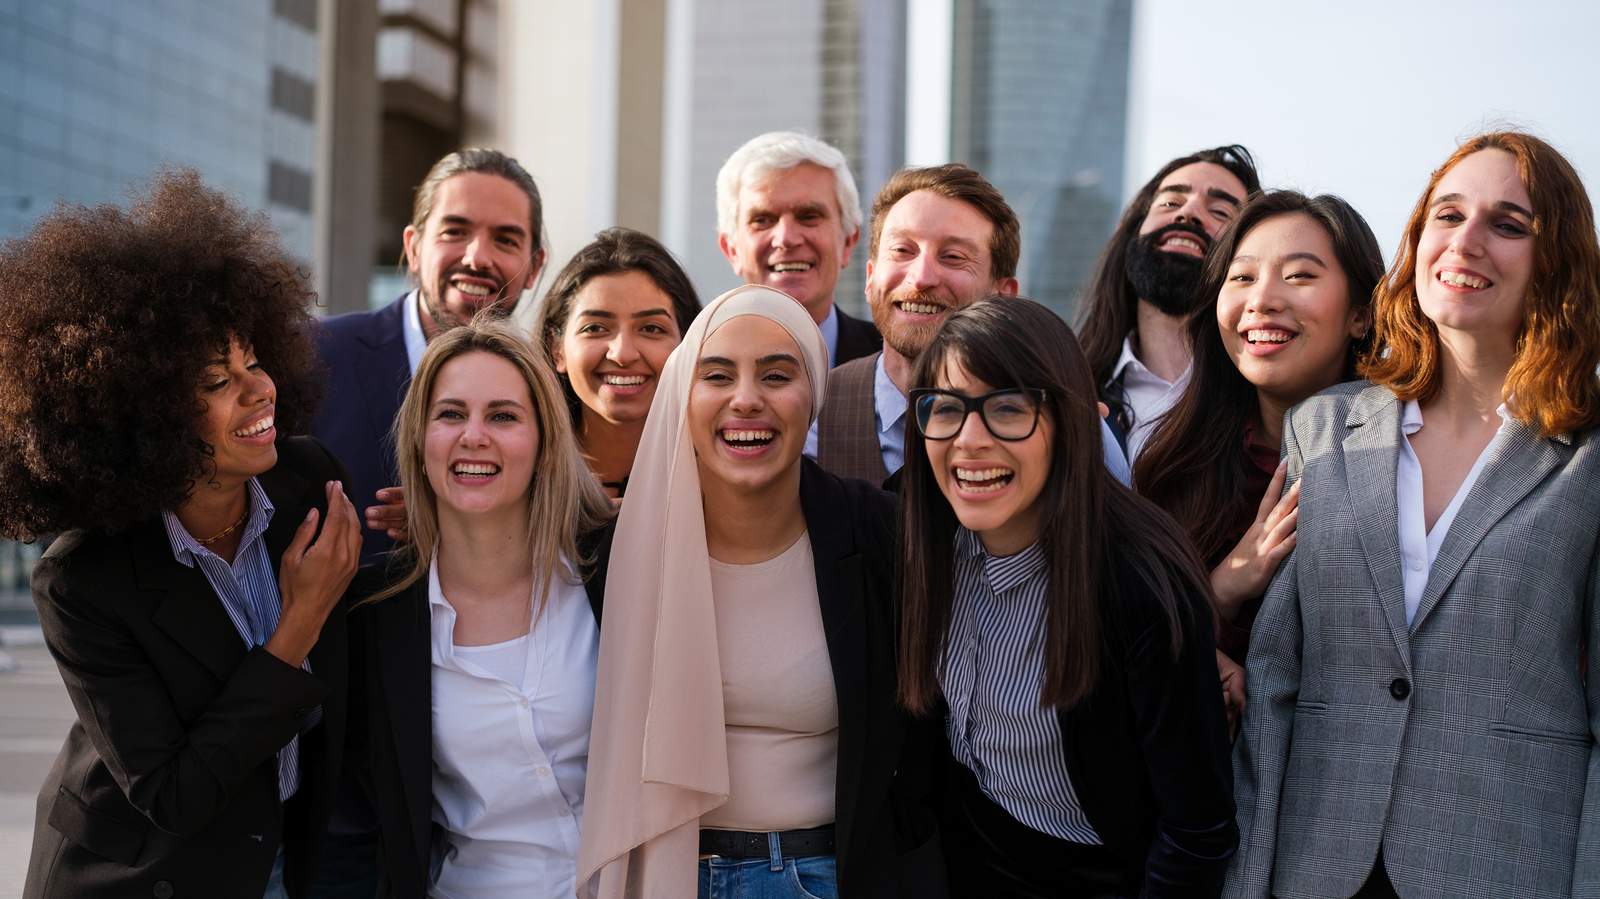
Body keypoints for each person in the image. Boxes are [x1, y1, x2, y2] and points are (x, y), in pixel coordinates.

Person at [1229, 132, 1600, 899]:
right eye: (1447, 214)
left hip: (1508, 864)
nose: (1465, 241)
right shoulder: (1324, 428)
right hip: (1317, 865)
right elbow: (1275, 680)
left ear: (1556, 259)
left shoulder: (1588, 459)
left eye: (1508, 223)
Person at [0, 169, 362, 899]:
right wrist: (299, 623)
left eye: (253, 360)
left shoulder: (307, 482)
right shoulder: (82, 581)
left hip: (283, 861)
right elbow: (173, 792)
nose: (259, 388)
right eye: (216, 380)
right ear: (143, 415)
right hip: (138, 876)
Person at [577, 286, 944, 899]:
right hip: (667, 875)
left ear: (814, 398)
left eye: (777, 375)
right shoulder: (615, 554)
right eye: (717, 376)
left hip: (831, 874)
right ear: (683, 398)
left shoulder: (881, 535)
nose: (746, 400)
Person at [897, 296, 1237, 897]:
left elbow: (1196, 830)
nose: (969, 440)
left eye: (1007, 408)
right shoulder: (925, 542)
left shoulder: (1140, 586)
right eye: (945, 409)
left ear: (1070, 422)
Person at [350, 317, 613, 899]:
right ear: (420, 445)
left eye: (502, 415)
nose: (474, 435)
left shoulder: (613, 570)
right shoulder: (378, 613)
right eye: (450, 414)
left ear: (545, 445)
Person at [1134, 191, 1383, 720]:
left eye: (1299, 276)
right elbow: (1119, 647)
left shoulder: (1406, 466)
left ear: (1361, 315)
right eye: (1242, 277)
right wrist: (1223, 586)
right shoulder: (1171, 467)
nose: (1263, 299)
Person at [810, 163, 1130, 487]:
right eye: (902, 251)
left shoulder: (1060, 418)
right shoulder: (811, 412)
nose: (920, 278)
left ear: (1003, 295)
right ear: (869, 278)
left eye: (953, 257)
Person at [314, 147, 548, 563]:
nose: (477, 257)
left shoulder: (549, 396)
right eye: (454, 231)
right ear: (415, 246)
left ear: (534, 267)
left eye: (505, 239)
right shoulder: (315, 356)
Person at [1077, 146, 1261, 460]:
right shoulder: (1071, 389)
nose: (1188, 212)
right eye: (1169, 202)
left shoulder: (1265, 409)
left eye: (1220, 212)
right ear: (1135, 230)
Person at [534, 227, 702, 500]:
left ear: (688, 345)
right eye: (596, 328)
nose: (623, 354)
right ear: (557, 349)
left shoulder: (721, 482)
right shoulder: (515, 479)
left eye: (651, 328)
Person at [716, 130, 881, 367]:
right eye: (762, 220)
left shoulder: (902, 364)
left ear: (848, 242)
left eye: (809, 216)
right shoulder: (690, 368)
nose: (786, 238)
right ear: (732, 250)